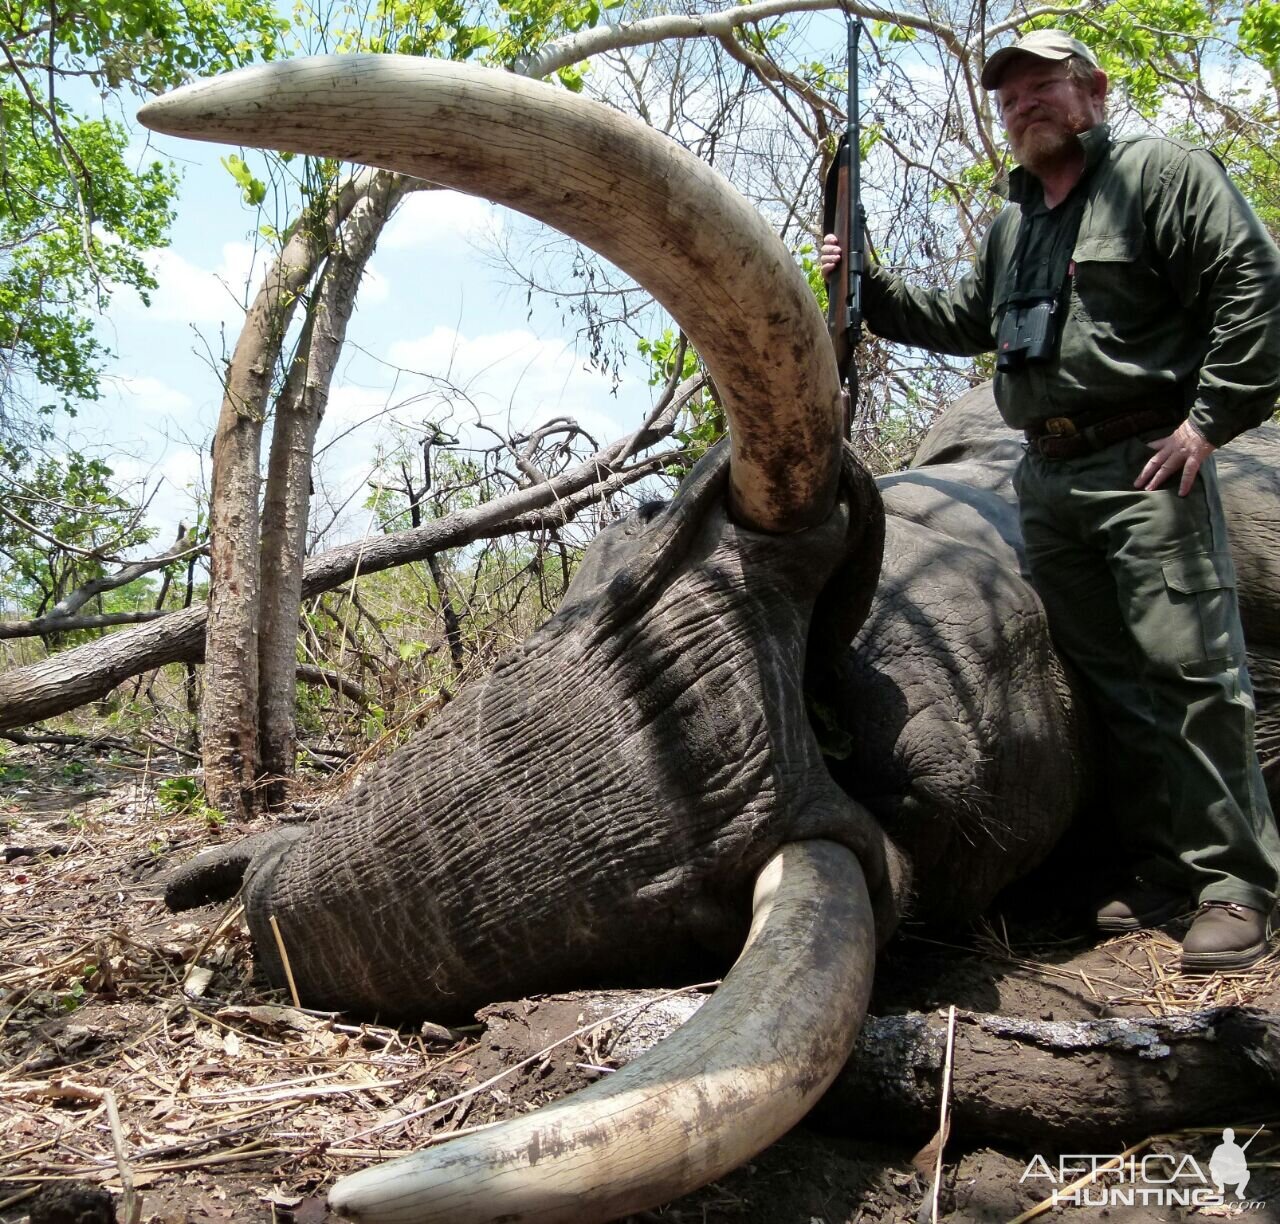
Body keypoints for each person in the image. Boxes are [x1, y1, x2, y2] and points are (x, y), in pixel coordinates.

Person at [821, 28, 1280, 971]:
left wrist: (1209, 422)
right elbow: (962, 324)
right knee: (1111, 681)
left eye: (1042, 87)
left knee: (1191, 673)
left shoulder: (1160, 176)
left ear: (1092, 91)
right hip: (1046, 476)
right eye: (1009, 95)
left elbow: (1254, 287)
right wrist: (860, 280)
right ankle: (1164, 869)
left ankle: (1238, 883)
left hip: (1144, 464)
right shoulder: (1015, 220)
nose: (1023, 105)